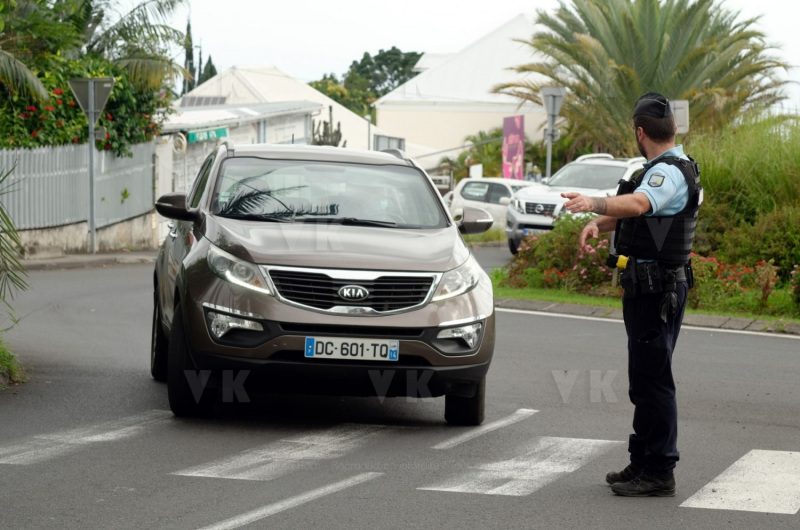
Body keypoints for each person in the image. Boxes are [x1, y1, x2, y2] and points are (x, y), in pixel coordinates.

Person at [561, 92, 702, 497]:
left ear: (641, 132)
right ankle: (642, 461)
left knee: (654, 380)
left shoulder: (667, 173)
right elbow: (646, 215)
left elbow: (641, 203)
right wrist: (600, 223)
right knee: (643, 379)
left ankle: (659, 470)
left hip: (658, 290)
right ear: (673, 127)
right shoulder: (669, 168)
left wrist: (592, 203)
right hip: (651, 287)